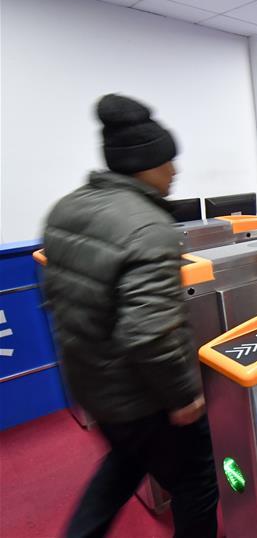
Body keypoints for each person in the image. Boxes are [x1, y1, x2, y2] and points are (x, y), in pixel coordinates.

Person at [41, 94, 218, 537]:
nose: (175, 171)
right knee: (196, 485)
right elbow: (150, 331)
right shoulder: (148, 226)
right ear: (145, 164)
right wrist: (182, 397)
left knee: (124, 464)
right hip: (143, 395)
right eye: (168, 161)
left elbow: (60, 297)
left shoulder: (67, 208)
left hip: (93, 383)